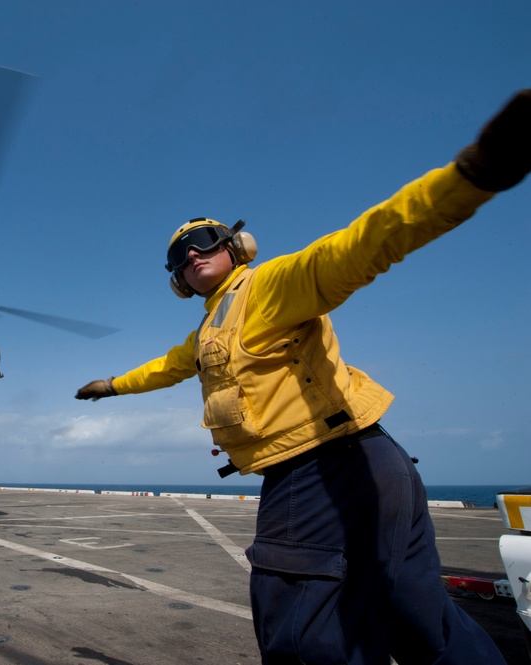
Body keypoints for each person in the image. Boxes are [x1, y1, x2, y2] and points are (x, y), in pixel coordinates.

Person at [76, 89, 531, 664]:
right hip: (379, 465)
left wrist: (470, 178)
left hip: (319, 471)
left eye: (201, 243)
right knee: (420, 622)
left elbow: (358, 246)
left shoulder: (268, 285)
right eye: (177, 257)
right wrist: (111, 385)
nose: (190, 256)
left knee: (303, 637)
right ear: (176, 281)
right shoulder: (210, 330)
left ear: (233, 247)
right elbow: (163, 369)